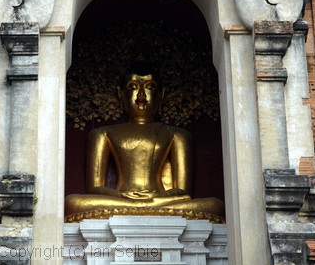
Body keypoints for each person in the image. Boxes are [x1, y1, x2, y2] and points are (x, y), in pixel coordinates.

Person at [64, 69, 224, 220]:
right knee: (72, 202)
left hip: (160, 200)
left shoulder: (178, 135)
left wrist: (158, 197)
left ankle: (145, 207)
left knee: (215, 205)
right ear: (121, 94)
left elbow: (182, 191)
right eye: (132, 87)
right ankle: (144, 208)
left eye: (149, 87)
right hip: (123, 200)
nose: (141, 94)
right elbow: (95, 188)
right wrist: (122, 196)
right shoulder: (102, 134)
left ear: (161, 95)